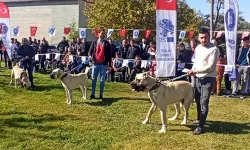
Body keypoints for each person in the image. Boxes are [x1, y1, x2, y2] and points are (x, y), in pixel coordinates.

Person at [187, 28, 219, 135]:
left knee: (204, 101)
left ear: (209, 37)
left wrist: (195, 71)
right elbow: (196, 62)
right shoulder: (198, 48)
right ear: (198, 38)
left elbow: (210, 67)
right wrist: (192, 70)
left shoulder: (214, 49)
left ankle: (201, 127)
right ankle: (199, 119)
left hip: (208, 79)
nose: (203, 40)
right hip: (196, 78)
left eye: (205, 37)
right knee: (197, 99)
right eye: (201, 38)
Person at [88, 29, 112, 100]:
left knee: (102, 80)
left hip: (103, 65)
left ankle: (101, 94)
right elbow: (90, 51)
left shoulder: (107, 43)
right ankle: (92, 94)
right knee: (93, 79)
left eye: (104, 34)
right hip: (95, 64)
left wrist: (110, 65)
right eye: (101, 33)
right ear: (98, 34)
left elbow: (109, 55)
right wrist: (90, 56)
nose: (103, 35)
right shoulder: (94, 42)